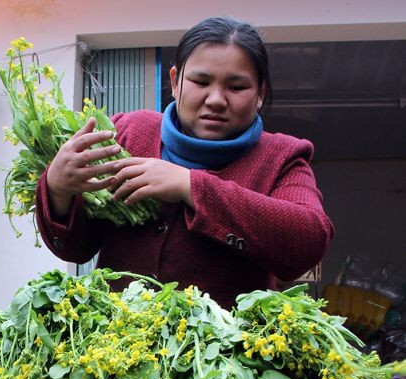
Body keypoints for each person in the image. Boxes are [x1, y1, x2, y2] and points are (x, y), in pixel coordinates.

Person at [35, 16, 334, 309]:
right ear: (176, 82)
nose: (216, 99)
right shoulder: (126, 133)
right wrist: (58, 189)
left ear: (260, 94)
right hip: (116, 350)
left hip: (227, 356)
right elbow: (77, 248)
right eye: (200, 81)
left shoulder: (282, 157)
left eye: (237, 87)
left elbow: (306, 242)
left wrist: (190, 186)